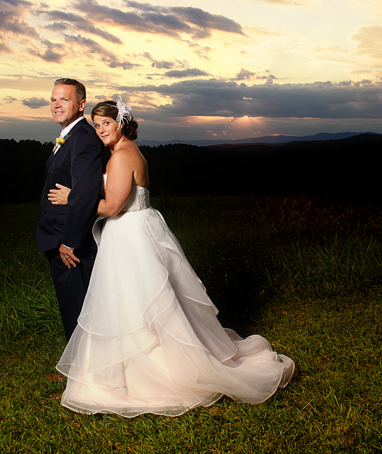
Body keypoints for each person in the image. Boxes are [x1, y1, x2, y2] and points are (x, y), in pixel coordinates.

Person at [48, 98, 294, 417]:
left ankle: (151, 372)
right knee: (130, 300)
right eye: (95, 125)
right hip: (130, 231)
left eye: (106, 123)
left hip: (130, 233)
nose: (100, 130)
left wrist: (74, 199)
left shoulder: (123, 156)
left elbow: (111, 208)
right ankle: (128, 366)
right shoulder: (121, 153)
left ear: (121, 123)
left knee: (140, 300)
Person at [36, 78, 104, 343]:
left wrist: (69, 242)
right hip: (59, 236)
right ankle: (77, 370)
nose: (56, 105)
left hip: (71, 243)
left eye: (64, 99)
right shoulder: (69, 136)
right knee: (71, 307)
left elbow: (86, 194)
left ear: (81, 105)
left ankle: (83, 376)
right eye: (53, 99)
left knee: (79, 309)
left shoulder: (84, 138)